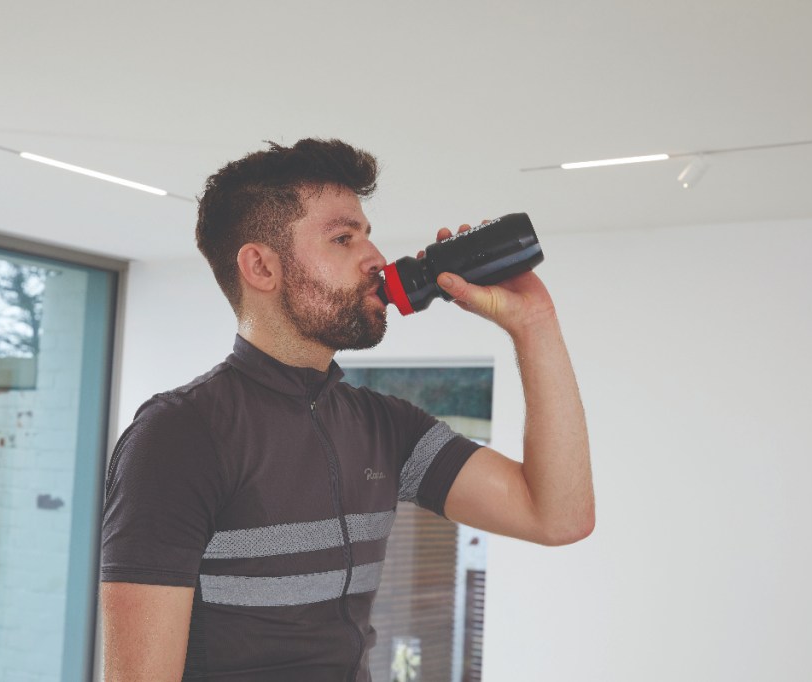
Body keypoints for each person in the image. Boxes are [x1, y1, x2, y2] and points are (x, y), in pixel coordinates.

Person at [100, 138, 594, 681]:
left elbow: (558, 516)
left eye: (367, 235)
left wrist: (535, 323)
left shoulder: (388, 427)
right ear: (261, 267)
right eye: (342, 238)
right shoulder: (180, 435)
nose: (376, 260)